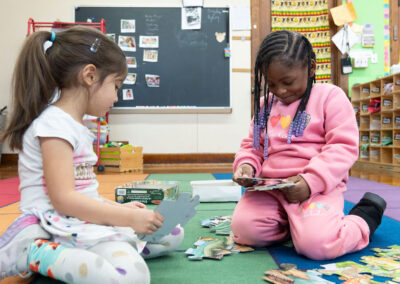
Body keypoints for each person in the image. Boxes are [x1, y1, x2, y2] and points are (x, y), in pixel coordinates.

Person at [0, 26, 183, 283]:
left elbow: (84, 193)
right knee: (132, 276)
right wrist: (127, 217)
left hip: (76, 219)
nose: (116, 97)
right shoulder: (54, 125)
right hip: (53, 224)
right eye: (116, 86)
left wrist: (116, 208)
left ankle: (101, 251)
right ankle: (34, 251)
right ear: (89, 75)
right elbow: (64, 200)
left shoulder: (76, 124)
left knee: (172, 232)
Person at [232, 30, 386, 261]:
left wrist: (309, 182)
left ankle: (365, 216)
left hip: (315, 189)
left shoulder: (330, 97)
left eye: (288, 82)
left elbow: (343, 148)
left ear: (311, 68)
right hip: (270, 189)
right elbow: (252, 146)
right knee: (245, 232)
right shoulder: (265, 105)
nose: (280, 91)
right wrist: (246, 166)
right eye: (272, 84)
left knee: (319, 246)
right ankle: (295, 226)